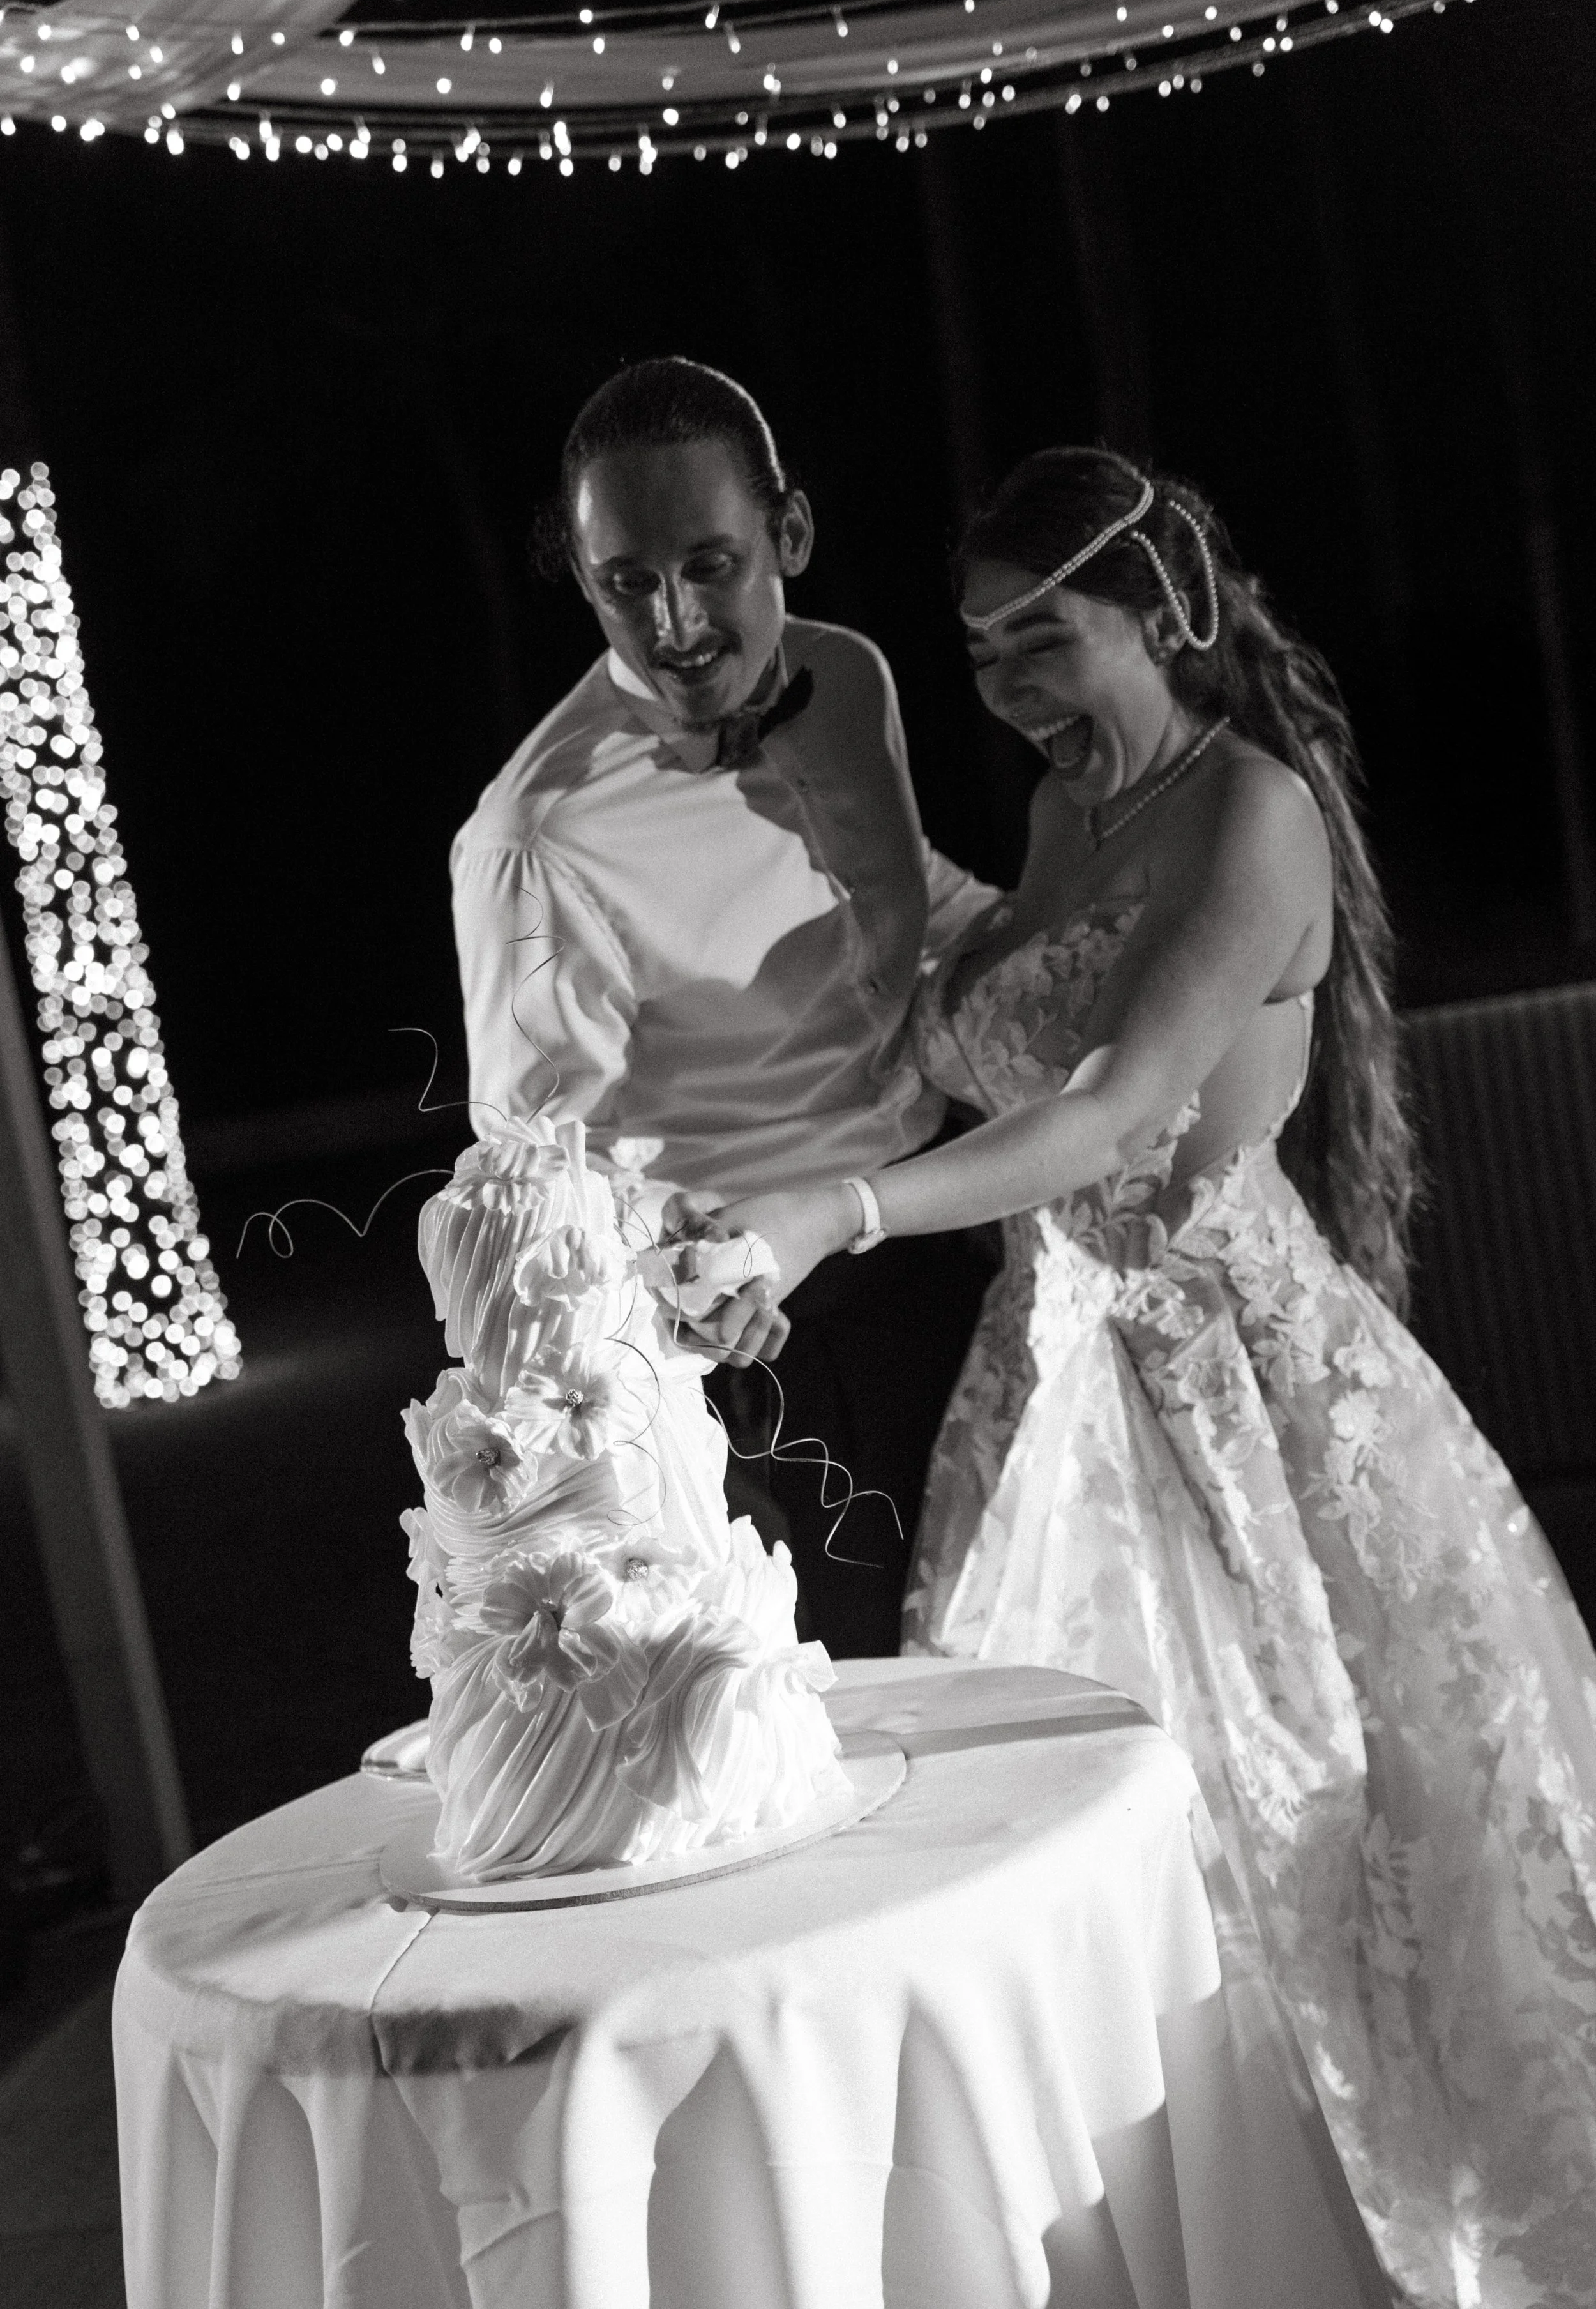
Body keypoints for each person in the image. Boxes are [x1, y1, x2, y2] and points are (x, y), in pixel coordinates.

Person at [709, 447, 1596, 2308]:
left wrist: (834, 1209)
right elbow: (1004, 996)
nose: (1010, 680)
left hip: (1233, 1399)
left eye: (1044, 636)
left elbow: (1113, 1108)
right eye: (978, 649)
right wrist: (828, 823)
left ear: (1164, 612)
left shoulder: (1247, 810)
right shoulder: (1060, 813)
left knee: (1284, 1833)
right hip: (1052, 1384)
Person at [449, 356, 995, 1658]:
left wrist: (1088, 944)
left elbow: (902, 896)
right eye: (624, 583)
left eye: (709, 565)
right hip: (769, 1337)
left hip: (944, 1242)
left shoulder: (851, 678)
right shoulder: (537, 834)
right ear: (582, 581)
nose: (675, 621)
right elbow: (534, 1169)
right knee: (880, 1709)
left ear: (787, 534)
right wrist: (684, 1269)